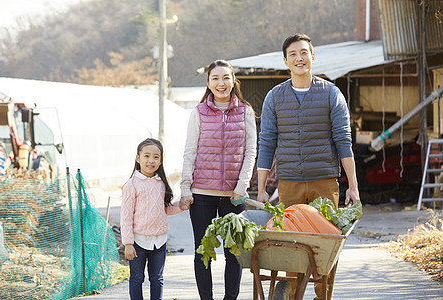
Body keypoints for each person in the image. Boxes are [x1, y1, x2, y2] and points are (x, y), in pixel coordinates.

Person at [256, 33, 360, 300]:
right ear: (285, 61)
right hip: (289, 183)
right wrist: (261, 190)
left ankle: (322, 295)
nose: (299, 58)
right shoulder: (275, 97)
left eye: (304, 52)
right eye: (293, 54)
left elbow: (343, 141)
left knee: (324, 244)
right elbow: (267, 143)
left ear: (313, 57)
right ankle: (290, 292)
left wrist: (353, 187)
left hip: (324, 182)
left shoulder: (331, 94)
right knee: (290, 244)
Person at [181, 59, 257, 300]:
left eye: (226, 77)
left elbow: (251, 151)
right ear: (208, 83)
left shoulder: (245, 111)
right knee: (202, 251)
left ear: (234, 81)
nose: (221, 83)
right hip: (202, 194)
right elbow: (190, 151)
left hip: (234, 197)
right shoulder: (199, 112)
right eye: (215, 78)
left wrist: (242, 186)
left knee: (234, 252)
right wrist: (185, 188)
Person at [121, 138, 190, 300]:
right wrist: (128, 243)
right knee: (137, 278)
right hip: (138, 242)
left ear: (161, 161)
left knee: (157, 279)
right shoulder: (131, 185)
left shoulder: (161, 184)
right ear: (138, 158)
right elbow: (126, 217)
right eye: (146, 156)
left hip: (159, 241)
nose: (151, 160)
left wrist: (181, 206)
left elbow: (164, 209)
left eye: (156, 157)